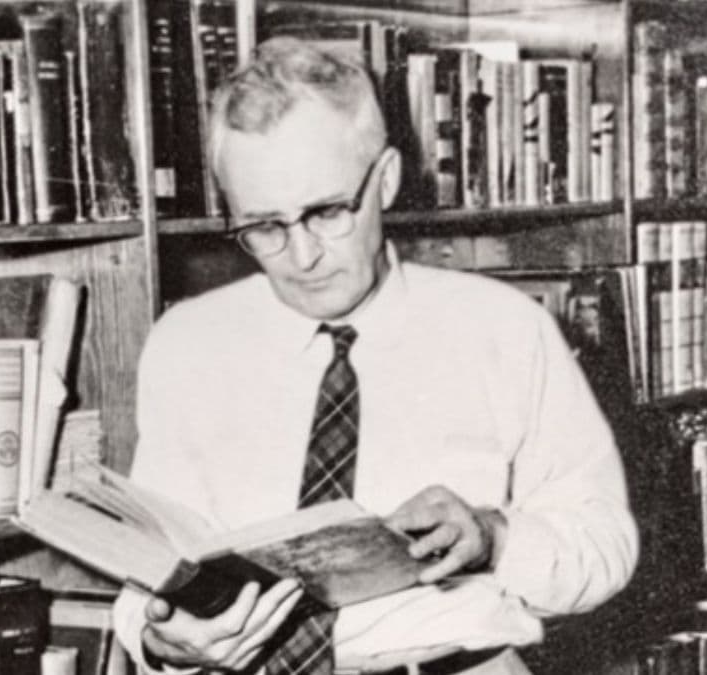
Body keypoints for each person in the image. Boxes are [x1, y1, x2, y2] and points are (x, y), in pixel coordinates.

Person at [112, 37, 638, 675]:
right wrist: (161, 639)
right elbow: (150, 566)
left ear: (385, 179)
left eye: (327, 211)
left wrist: (494, 536)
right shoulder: (187, 344)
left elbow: (606, 544)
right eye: (264, 227)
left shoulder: (504, 329)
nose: (301, 256)